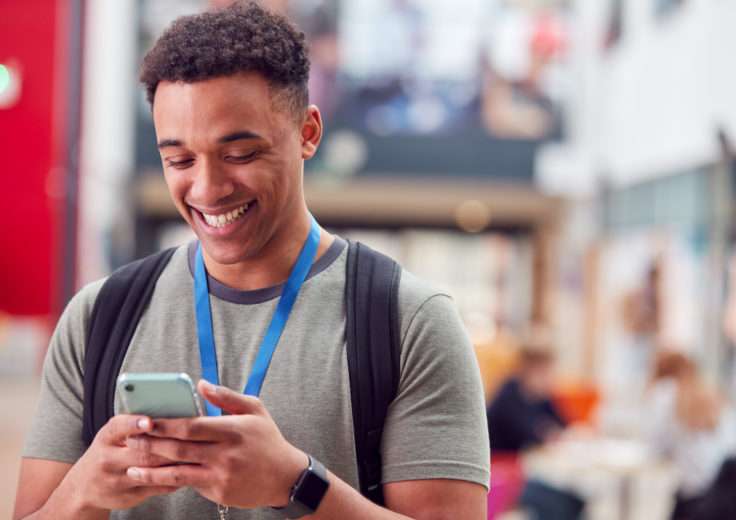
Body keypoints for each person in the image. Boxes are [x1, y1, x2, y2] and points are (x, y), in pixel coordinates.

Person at [13, 3, 490, 519]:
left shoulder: (408, 322)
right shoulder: (97, 317)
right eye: (179, 159)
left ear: (308, 133)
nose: (207, 188)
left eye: (239, 154)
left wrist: (297, 484)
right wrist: (84, 489)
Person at [487, 340, 583, 520]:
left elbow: (563, 424)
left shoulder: (539, 394)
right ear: (527, 368)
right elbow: (530, 434)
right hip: (498, 478)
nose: (548, 376)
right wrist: (545, 431)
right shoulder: (508, 395)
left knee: (576, 501)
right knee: (559, 506)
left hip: (518, 474)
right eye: (543, 371)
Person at [645, 350, 736, 520]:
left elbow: (654, 449)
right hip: (730, 500)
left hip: (695, 504)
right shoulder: (716, 396)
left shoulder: (667, 390)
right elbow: (735, 446)